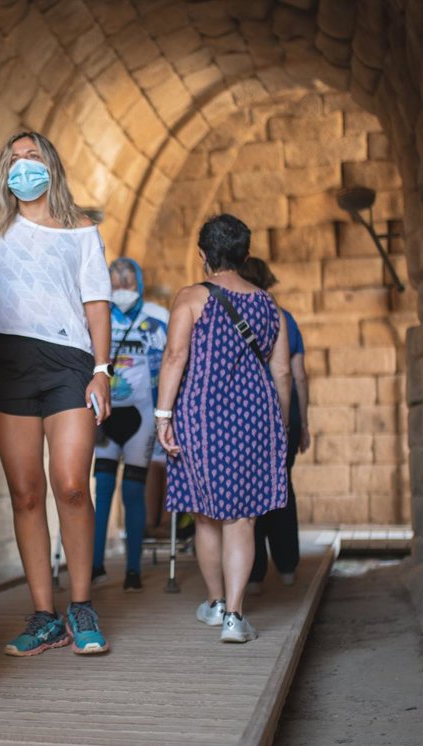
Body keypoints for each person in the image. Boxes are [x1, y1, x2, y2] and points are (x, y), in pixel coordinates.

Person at [0, 131, 113, 656]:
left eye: (32, 157)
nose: (23, 167)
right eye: (14, 160)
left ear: (50, 164)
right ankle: (44, 615)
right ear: (3, 173)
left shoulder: (82, 231)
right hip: (10, 364)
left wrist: (102, 370)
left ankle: (82, 605)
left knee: (72, 485)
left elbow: (97, 303)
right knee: (26, 493)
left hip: (70, 364)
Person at [155, 215, 291, 644]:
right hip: (255, 416)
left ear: (202, 254)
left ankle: (215, 604)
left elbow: (175, 357)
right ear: (246, 255)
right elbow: (282, 372)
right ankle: (235, 615)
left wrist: (163, 415)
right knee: (242, 518)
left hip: (201, 416)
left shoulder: (191, 298)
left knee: (205, 514)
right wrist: (281, 424)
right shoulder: (269, 305)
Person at [92, 257, 168, 592]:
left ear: (139, 280)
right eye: (115, 280)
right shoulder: (98, 314)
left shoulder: (158, 317)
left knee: (133, 491)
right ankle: (95, 565)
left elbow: (172, 361)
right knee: (103, 488)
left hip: (142, 415)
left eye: (127, 280)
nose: (122, 286)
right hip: (105, 413)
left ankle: (133, 571)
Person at [244, 257, 311, 593]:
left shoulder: (230, 315)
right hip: (284, 411)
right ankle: (287, 567)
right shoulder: (284, 318)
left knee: (250, 491)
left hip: (248, 413)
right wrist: (302, 423)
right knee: (282, 486)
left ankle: (254, 575)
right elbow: (296, 375)